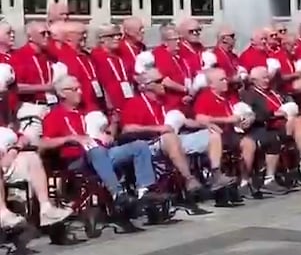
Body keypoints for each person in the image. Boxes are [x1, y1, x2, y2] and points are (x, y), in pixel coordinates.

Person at [40, 75, 164, 208]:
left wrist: (109, 133)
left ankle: (144, 190)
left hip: (104, 153)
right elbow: (44, 144)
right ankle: (117, 194)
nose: (80, 92)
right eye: (75, 89)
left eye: (80, 88)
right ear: (62, 93)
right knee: (96, 151)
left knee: (139, 146)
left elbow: (106, 127)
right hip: (78, 160)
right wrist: (72, 138)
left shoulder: (85, 111)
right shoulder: (54, 116)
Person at [119, 68, 235, 193]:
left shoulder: (165, 101)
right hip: (150, 143)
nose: (164, 83)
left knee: (212, 134)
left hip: (175, 137)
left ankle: (216, 175)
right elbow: (127, 129)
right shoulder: (134, 103)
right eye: (159, 81)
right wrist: (157, 128)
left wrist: (206, 124)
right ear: (147, 86)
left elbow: (185, 122)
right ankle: (188, 179)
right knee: (170, 137)